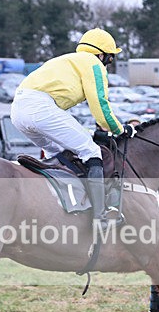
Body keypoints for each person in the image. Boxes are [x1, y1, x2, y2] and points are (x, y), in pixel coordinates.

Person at [10, 28, 133, 232]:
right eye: (109, 59)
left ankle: (59, 203)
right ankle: (99, 216)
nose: (108, 65)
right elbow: (100, 106)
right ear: (101, 54)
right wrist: (119, 129)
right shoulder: (93, 64)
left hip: (18, 111)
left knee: (59, 153)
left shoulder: (70, 60)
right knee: (91, 151)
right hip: (40, 108)